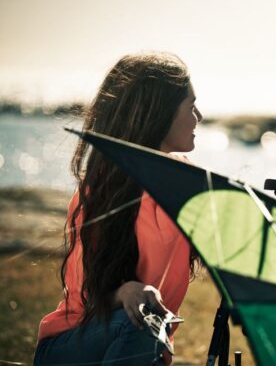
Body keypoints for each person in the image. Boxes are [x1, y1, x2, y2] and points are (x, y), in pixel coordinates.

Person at [34, 52, 203, 365]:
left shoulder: (188, 184)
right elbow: (84, 292)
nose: (200, 116)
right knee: (138, 321)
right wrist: (124, 292)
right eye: (191, 106)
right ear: (159, 113)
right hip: (71, 345)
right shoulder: (103, 190)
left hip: (140, 346)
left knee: (143, 325)